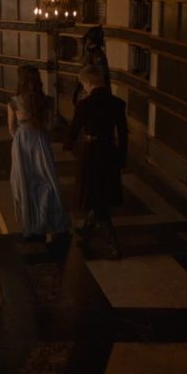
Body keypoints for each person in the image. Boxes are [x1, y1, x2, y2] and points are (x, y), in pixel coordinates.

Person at [64, 65, 128, 259]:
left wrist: (67, 144)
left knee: (96, 198)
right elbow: (123, 134)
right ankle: (86, 232)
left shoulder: (84, 104)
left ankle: (113, 245)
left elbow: (74, 129)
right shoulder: (117, 103)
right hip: (109, 151)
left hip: (91, 153)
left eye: (83, 84)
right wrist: (121, 157)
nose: (83, 87)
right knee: (100, 193)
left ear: (88, 82)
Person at [8, 65, 70, 242]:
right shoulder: (47, 101)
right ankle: (50, 220)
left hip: (22, 144)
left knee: (25, 182)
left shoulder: (13, 102)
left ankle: (31, 222)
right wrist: (39, 133)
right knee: (47, 180)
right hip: (41, 141)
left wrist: (22, 137)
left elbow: (11, 129)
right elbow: (50, 125)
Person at [72, 25, 111, 106]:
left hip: (91, 90)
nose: (86, 41)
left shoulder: (97, 56)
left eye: (88, 39)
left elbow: (102, 77)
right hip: (86, 86)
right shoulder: (90, 53)